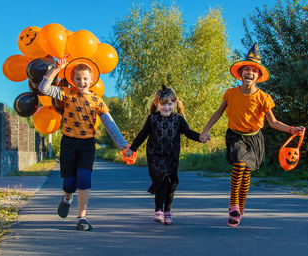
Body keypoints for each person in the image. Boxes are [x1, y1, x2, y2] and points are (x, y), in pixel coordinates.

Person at [199, 43, 305, 227]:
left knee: (246, 173)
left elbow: (273, 122)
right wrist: (206, 130)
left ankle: (241, 206)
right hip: (235, 135)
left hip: (254, 137)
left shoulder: (263, 98)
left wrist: (291, 129)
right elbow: (218, 113)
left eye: (254, 70)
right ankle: (233, 203)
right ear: (240, 73)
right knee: (239, 164)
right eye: (246, 69)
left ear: (258, 75)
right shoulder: (230, 93)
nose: (250, 73)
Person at [39, 57, 129, 231]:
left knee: (84, 179)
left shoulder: (97, 101)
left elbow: (110, 125)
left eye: (85, 79)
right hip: (68, 143)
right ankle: (67, 198)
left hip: (87, 144)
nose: (82, 82)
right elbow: (43, 88)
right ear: (73, 80)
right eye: (78, 79)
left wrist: (123, 146)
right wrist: (56, 69)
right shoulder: (67, 93)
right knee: (69, 184)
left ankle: (82, 217)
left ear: (91, 79)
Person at [124, 85, 204, 225]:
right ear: (157, 104)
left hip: (172, 156)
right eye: (163, 104)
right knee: (161, 180)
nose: (167, 107)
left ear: (175, 104)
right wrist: (133, 148)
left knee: (171, 183)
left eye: (170, 104)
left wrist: (200, 137)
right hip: (155, 155)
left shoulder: (178, 119)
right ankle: (158, 211)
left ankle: (167, 211)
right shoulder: (152, 119)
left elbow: (188, 132)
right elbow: (143, 134)